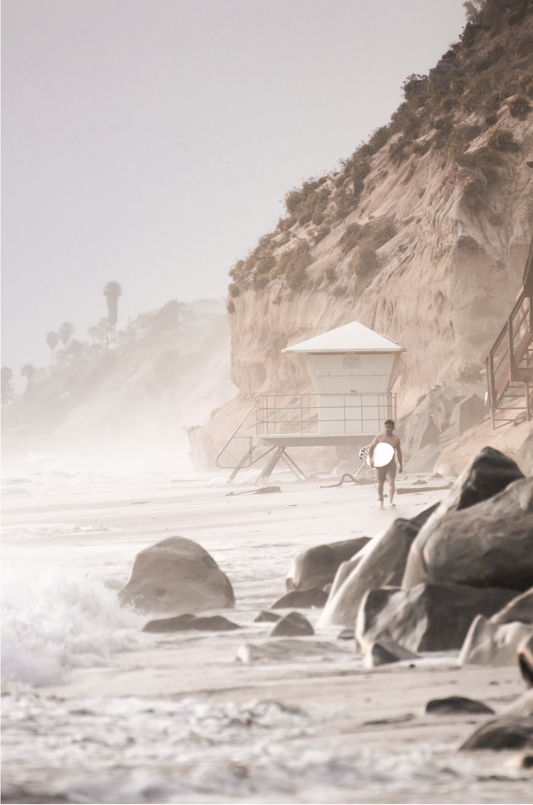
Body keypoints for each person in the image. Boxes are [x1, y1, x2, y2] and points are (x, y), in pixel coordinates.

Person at [368, 419, 403, 508]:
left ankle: (390, 501)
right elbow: (371, 448)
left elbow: (399, 453)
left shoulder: (396, 439)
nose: (387, 429)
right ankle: (381, 500)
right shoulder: (379, 438)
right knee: (380, 483)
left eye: (389, 427)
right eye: (386, 427)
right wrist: (371, 459)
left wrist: (401, 465)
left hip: (391, 463)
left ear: (393, 428)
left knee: (391, 481)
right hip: (380, 463)